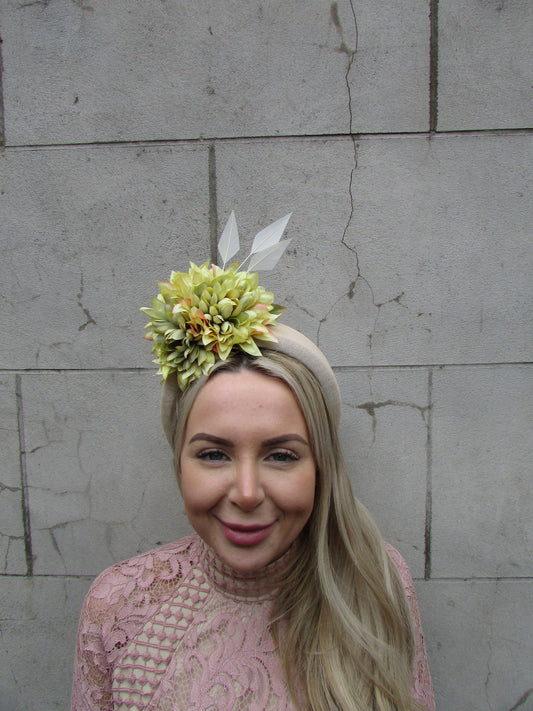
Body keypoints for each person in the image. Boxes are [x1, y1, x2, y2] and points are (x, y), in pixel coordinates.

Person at [71, 215, 435, 711]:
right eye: (213, 454)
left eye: (281, 455)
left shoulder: (376, 581)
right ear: (178, 462)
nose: (245, 492)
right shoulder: (118, 608)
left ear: (321, 467)